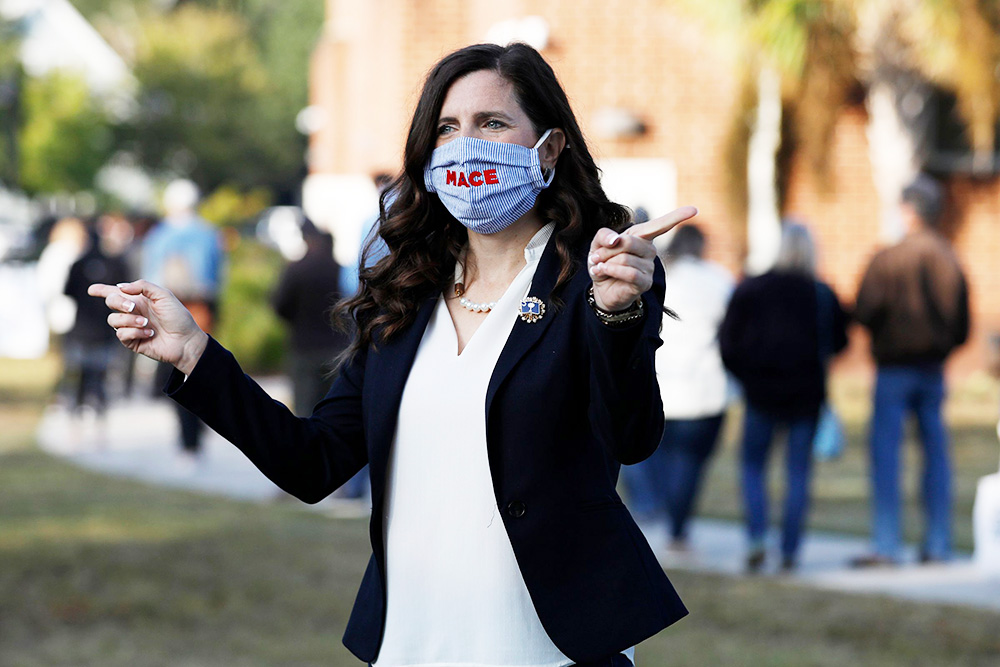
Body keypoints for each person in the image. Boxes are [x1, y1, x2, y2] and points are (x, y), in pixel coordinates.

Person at [89, 43, 694, 666]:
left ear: (551, 146)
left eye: (492, 123)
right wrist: (195, 354)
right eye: (446, 128)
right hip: (411, 643)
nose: (466, 146)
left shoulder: (596, 281)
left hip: (543, 648)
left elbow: (630, 436)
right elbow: (313, 463)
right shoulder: (404, 297)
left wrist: (618, 313)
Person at [852, 174, 970, 567]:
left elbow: (864, 311)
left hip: (894, 369)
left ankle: (887, 545)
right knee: (936, 456)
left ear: (908, 210)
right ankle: (937, 544)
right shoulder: (949, 257)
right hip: (932, 369)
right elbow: (961, 324)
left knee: (887, 456)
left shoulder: (888, 258)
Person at [719, 223, 848, 572]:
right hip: (805, 397)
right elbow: (840, 342)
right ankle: (790, 549)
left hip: (760, 395)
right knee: (798, 474)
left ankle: (757, 537)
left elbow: (728, 342)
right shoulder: (821, 294)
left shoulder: (753, 288)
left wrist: (747, 377)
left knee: (752, 468)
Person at [621, 224, 734, 552]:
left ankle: (654, 511)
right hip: (704, 390)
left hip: (659, 386)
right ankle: (677, 527)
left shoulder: (657, 278)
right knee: (689, 464)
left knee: (656, 456)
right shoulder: (719, 280)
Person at [141, 179, 224, 462]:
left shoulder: (160, 235)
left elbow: (149, 277)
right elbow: (216, 276)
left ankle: (188, 440)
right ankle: (199, 430)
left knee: (178, 373)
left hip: (169, 311)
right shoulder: (208, 233)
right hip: (202, 310)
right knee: (204, 367)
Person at [271, 219, 351, 417]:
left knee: (305, 411)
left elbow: (280, 305)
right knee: (334, 410)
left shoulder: (296, 270)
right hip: (335, 346)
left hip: (304, 346)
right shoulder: (338, 269)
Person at [63, 222, 130, 419]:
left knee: (80, 380)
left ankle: (77, 419)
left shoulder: (78, 264)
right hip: (105, 329)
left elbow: (68, 291)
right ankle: (99, 422)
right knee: (100, 380)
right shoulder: (115, 264)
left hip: (81, 330)